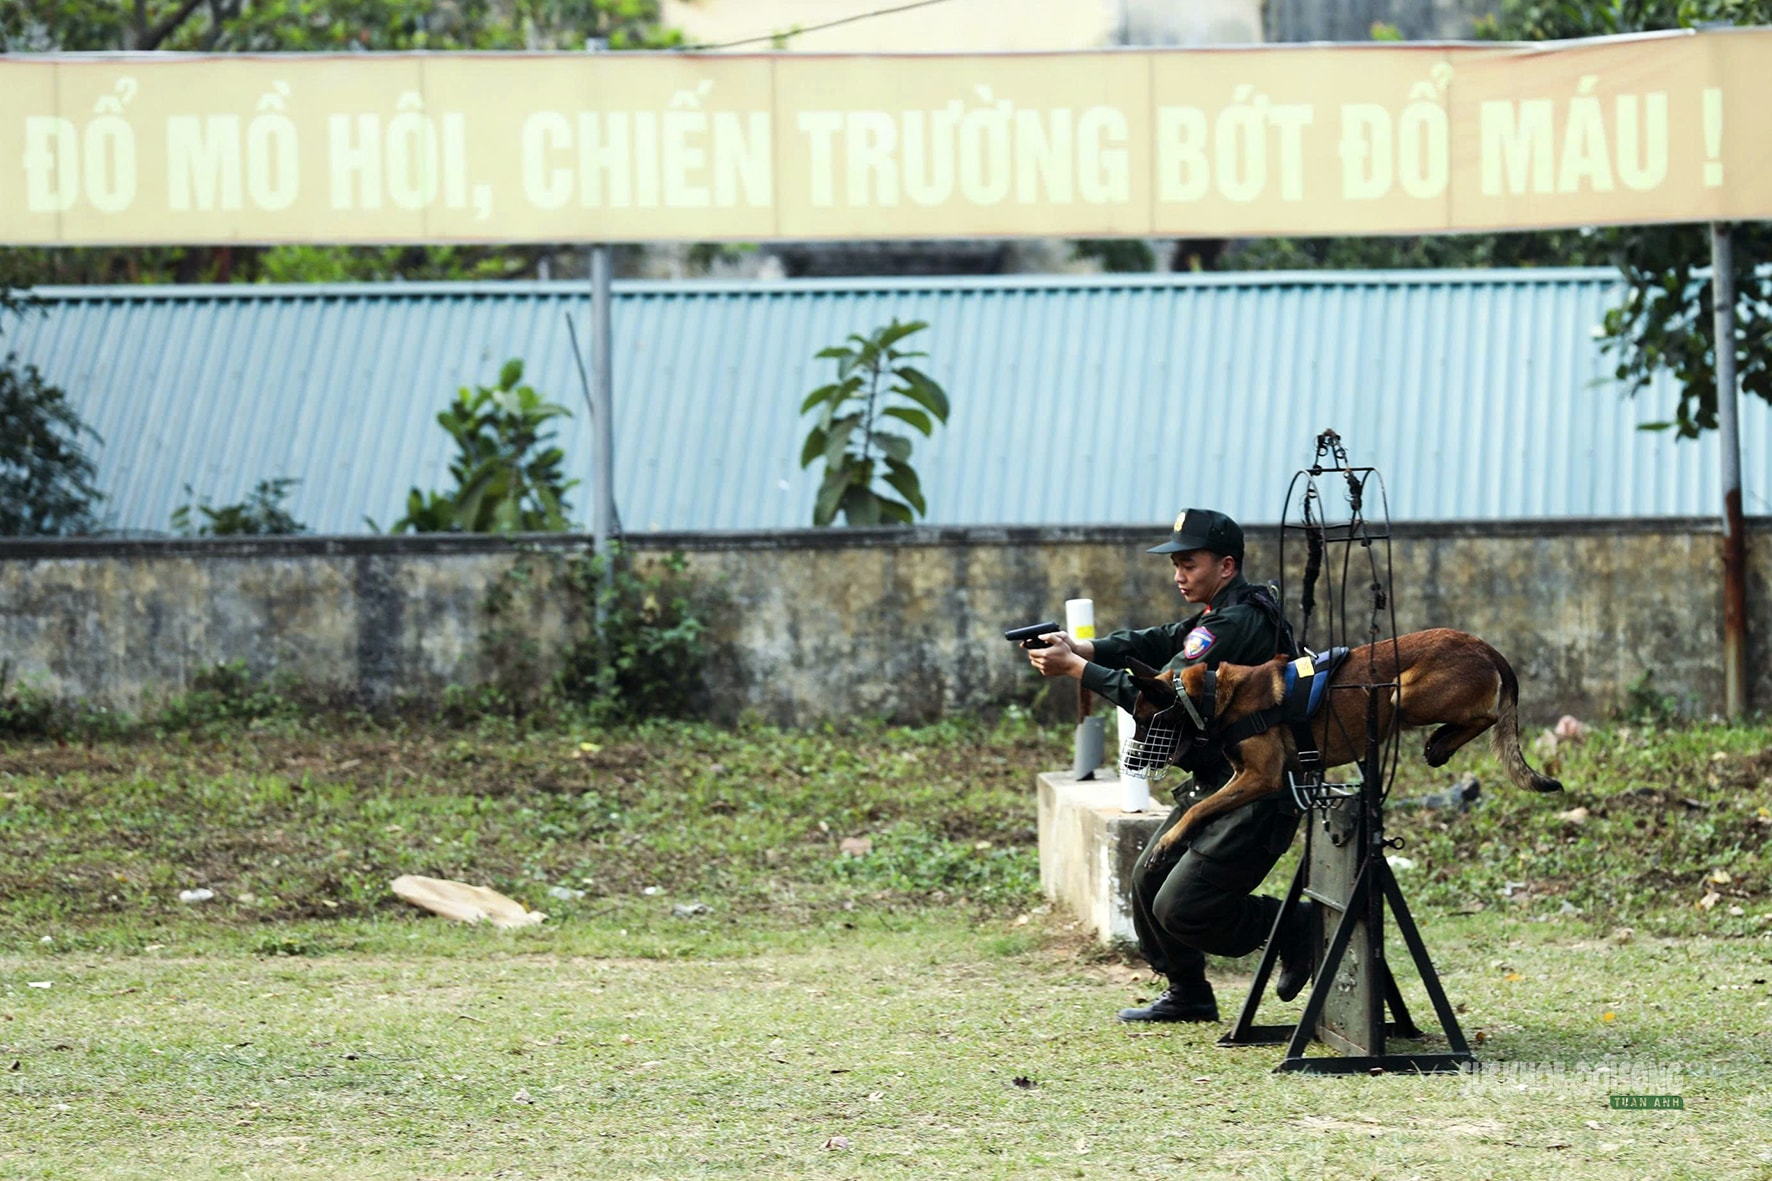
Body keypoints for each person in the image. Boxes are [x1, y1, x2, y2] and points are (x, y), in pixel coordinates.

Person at [1024, 508, 1312, 1022]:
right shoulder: (1216, 614)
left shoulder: (1238, 620)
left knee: (1182, 907)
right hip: (1222, 779)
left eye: (1189, 564)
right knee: (1147, 880)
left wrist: (1076, 669)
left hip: (1260, 789)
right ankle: (1189, 995)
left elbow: (1168, 694)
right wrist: (1082, 647)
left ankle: (1294, 926)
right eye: (1175, 564)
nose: (1179, 575)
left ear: (1226, 566)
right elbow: (1155, 641)